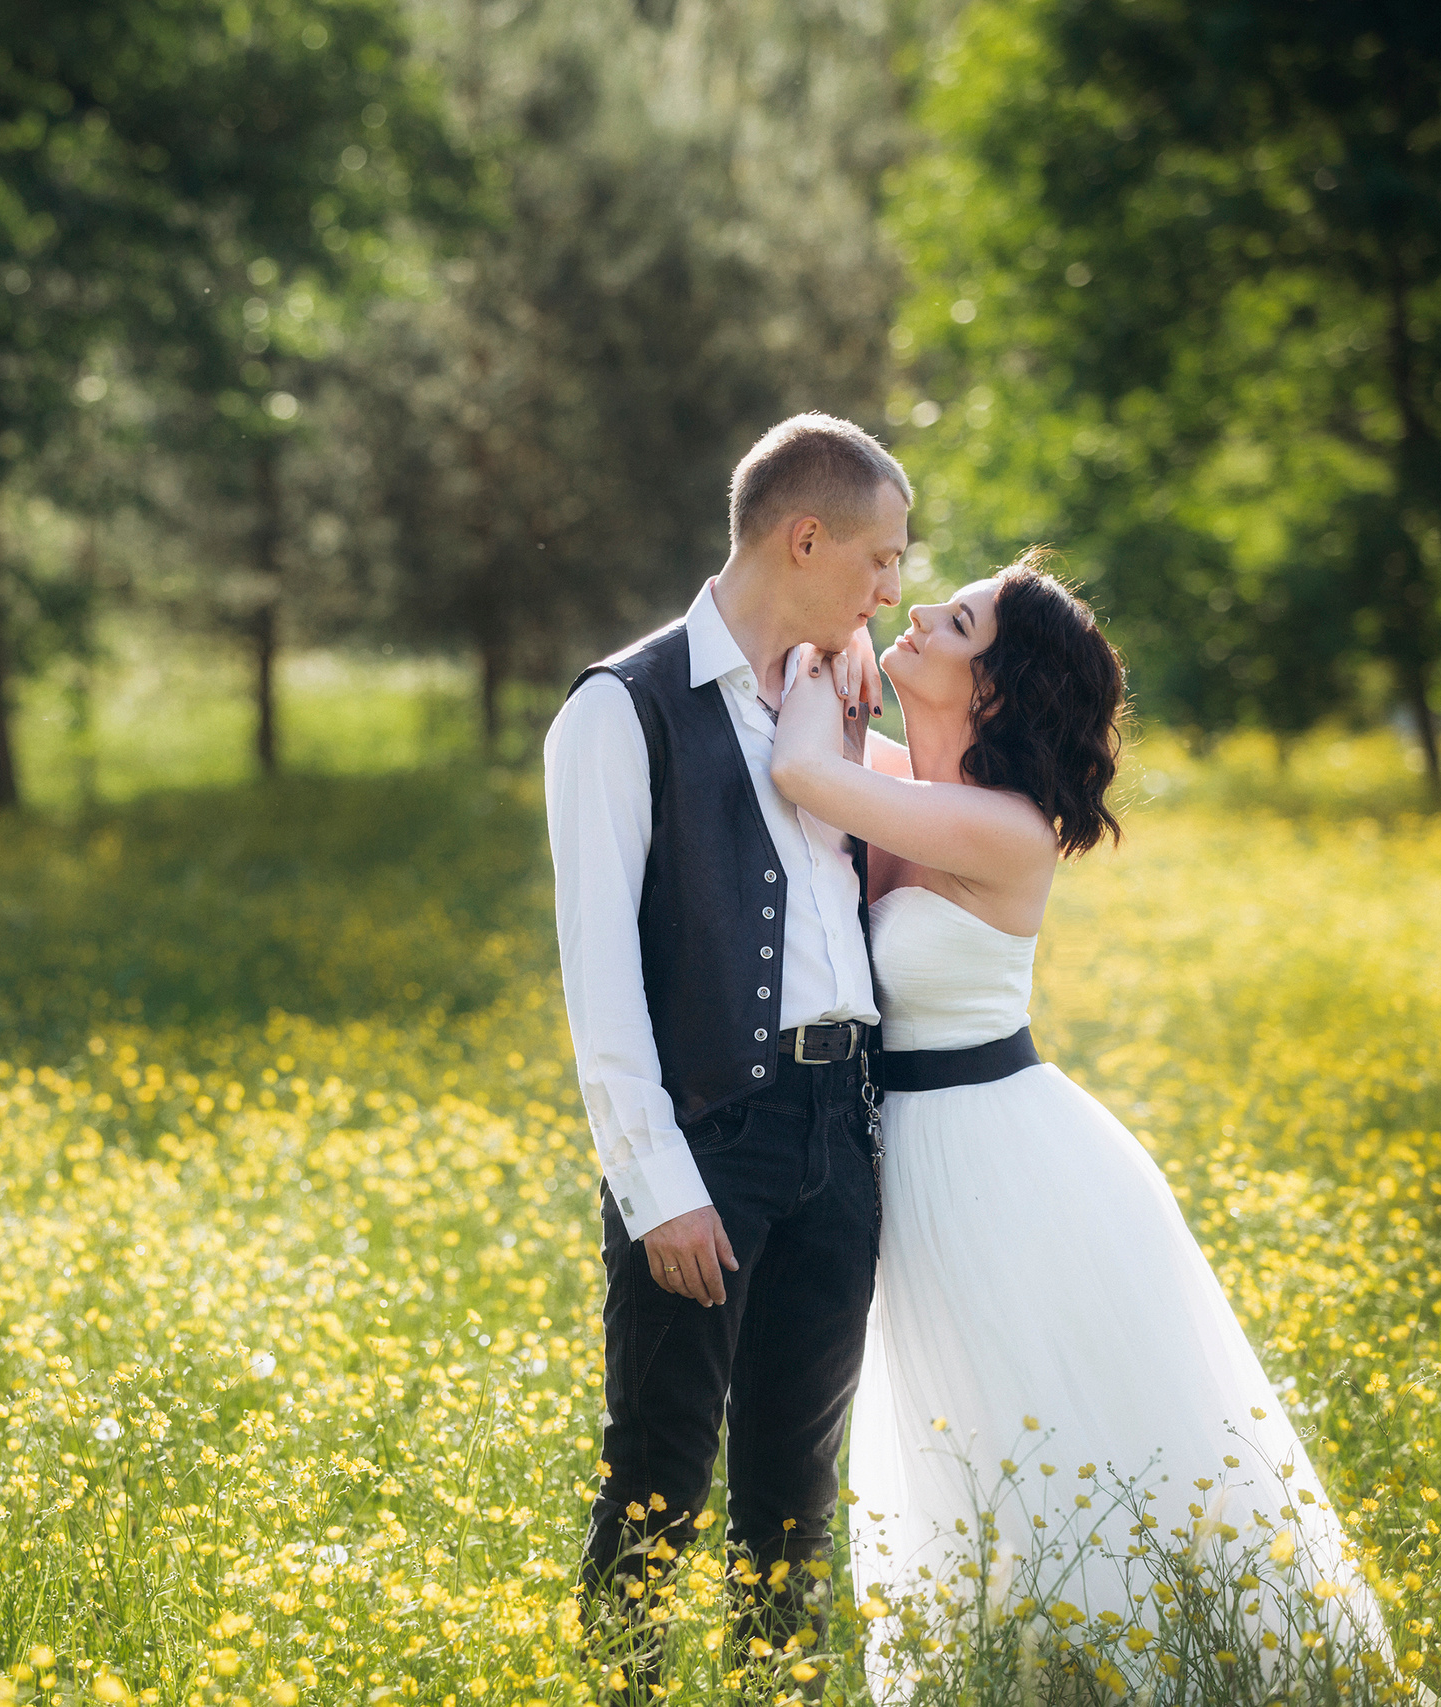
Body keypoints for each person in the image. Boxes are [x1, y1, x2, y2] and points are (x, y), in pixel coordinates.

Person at [763, 549, 1391, 1692]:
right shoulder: (914, 788)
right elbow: (834, 763)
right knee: (967, 1427)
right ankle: (1019, 1672)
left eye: (954, 625)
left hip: (1002, 1161)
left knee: (1047, 1423)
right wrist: (837, 651)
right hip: (917, 1159)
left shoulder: (1004, 827)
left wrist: (823, 647)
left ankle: (1150, 1665)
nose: (915, 617)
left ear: (992, 691)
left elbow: (801, 767)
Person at [543, 412, 907, 1693]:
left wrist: (853, 685)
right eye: (879, 559)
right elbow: (598, 980)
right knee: (658, 1477)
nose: (889, 591)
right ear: (805, 539)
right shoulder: (621, 709)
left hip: (836, 1134)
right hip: (710, 1142)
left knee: (796, 1499)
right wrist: (658, 1185)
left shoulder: (827, 697)